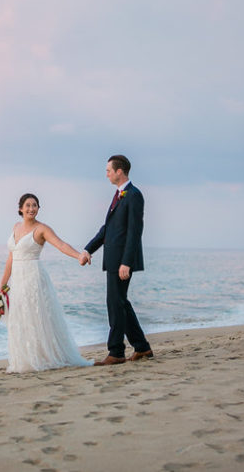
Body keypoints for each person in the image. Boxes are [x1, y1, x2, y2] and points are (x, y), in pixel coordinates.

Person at [0, 193, 92, 372]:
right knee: (21, 318)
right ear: (20, 208)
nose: (31, 209)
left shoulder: (42, 229)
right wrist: (3, 282)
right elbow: (11, 256)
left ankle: (43, 357)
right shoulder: (16, 227)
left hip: (33, 277)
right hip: (17, 279)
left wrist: (79, 255)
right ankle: (25, 359)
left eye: (35, 205)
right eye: (27, 205)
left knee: (36, 317)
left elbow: (61, 245)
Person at [79, 155, 154, 365]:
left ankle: (116, 352)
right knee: (121, 303)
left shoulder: (134, 195)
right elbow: (107, 229)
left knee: (115, 304)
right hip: (113, 259)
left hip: (122, 261)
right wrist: (88, 249)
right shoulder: (117, 195)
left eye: (108, 170)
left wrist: (126, 262)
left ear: (119, 171)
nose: (106, 174)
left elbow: (134, 232)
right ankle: (142, 347)